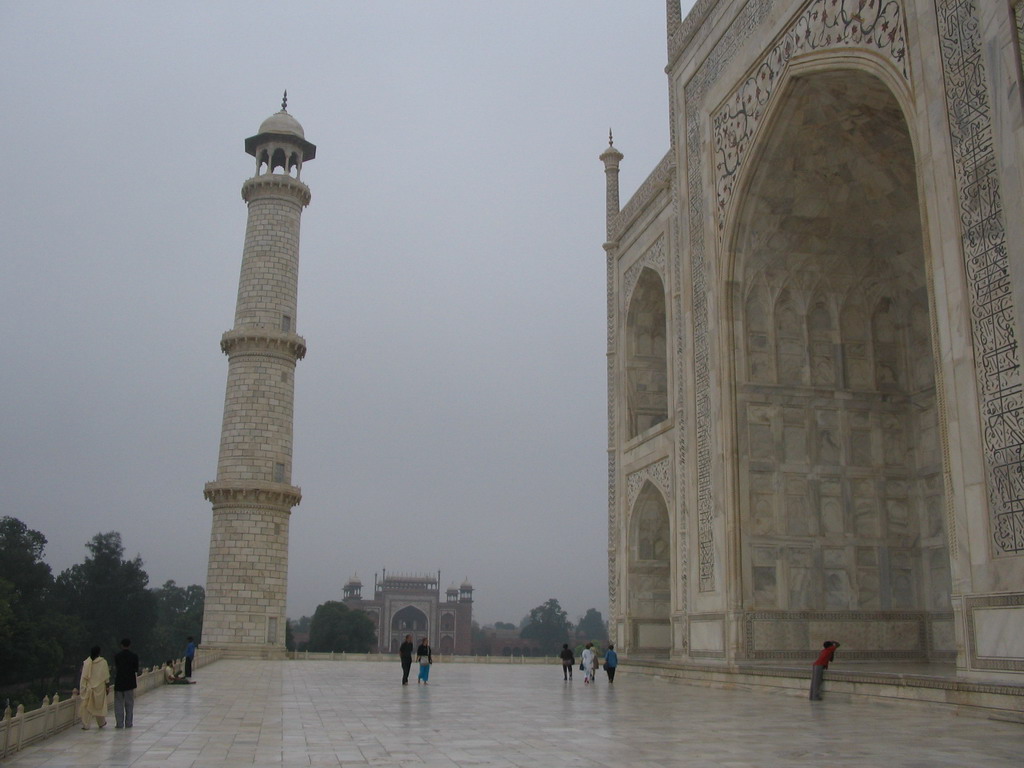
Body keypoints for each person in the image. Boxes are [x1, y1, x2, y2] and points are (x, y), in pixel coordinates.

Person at [79, 646, 110, 730]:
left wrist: (82, 688)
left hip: (89, 687)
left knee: (87, 707)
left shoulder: (87, 662)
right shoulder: (103, 662)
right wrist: (107, 687)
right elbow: (106, 676)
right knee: (98, 706)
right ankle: (101, 722)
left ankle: (86, 725)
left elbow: (83, 677)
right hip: (99, 688)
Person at [113, 638, 140, 728]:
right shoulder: (134, 656)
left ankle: (119, 723)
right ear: (130, 645)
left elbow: (117, 668)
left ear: (121, 645)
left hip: (119, 682)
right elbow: (136, 669)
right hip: (129, 683)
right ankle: (129, 723)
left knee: (118, 704)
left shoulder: (117, 656)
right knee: (129, 704)